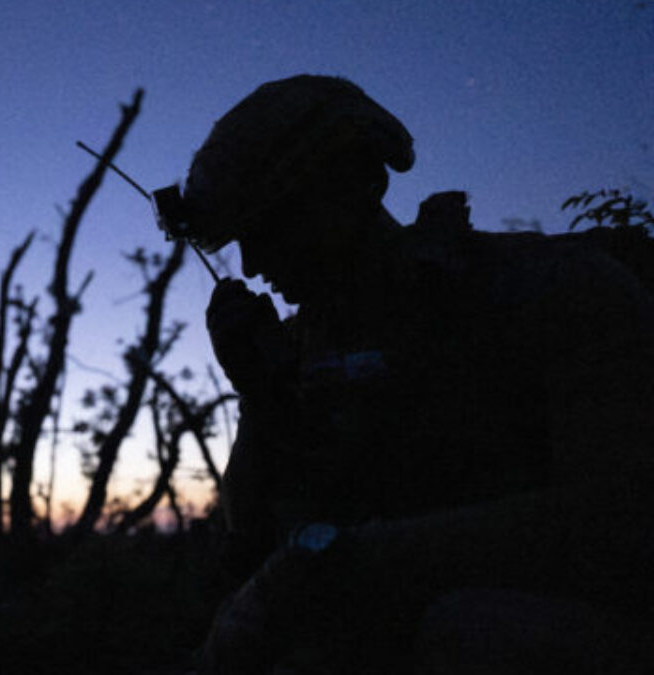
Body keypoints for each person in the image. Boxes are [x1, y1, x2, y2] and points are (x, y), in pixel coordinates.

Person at [174, 75, 654, 673]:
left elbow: (619, 523)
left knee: (474, 630)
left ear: (361, 184)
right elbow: (247, 553)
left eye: (275, 225)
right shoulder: (297, 351)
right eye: (242, 237)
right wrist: (261, 399)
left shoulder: (550, 289)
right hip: (377, 635)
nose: (253, 261)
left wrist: (344, 557)